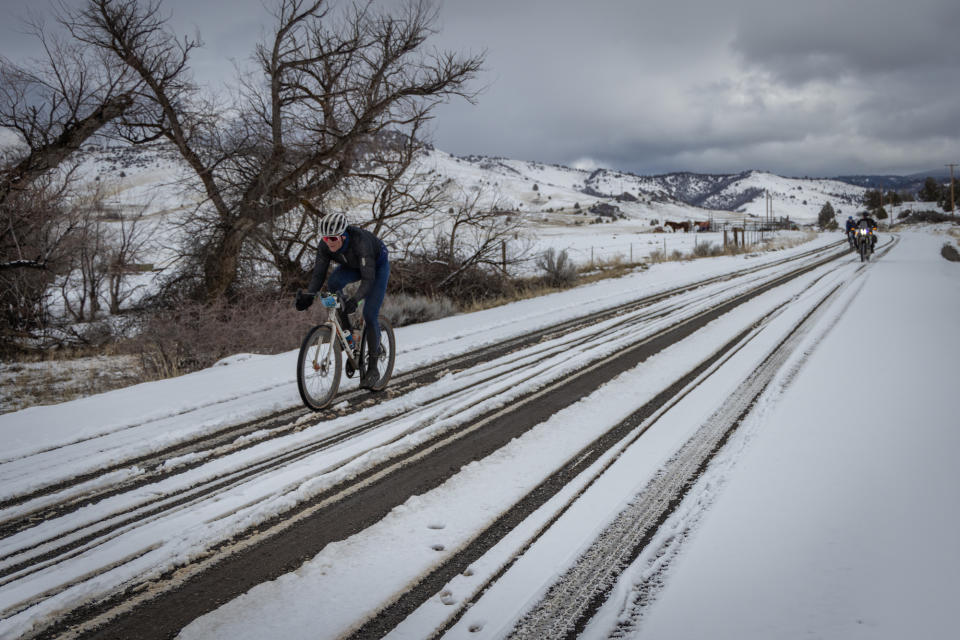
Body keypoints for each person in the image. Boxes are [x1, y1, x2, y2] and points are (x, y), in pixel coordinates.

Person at [295, 212, 389, 389]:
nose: (329, 242)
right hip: (352, 266)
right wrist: (309, 296)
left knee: (369, 314)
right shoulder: (325, 246)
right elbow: (319, 274)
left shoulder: (360, 242)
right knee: (333, 284)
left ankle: (373, 368)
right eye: (325, 238)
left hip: (376, 267)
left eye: (333, 238)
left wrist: (356, 299)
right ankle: (349, 337)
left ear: (343, 235)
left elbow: (368, 280)